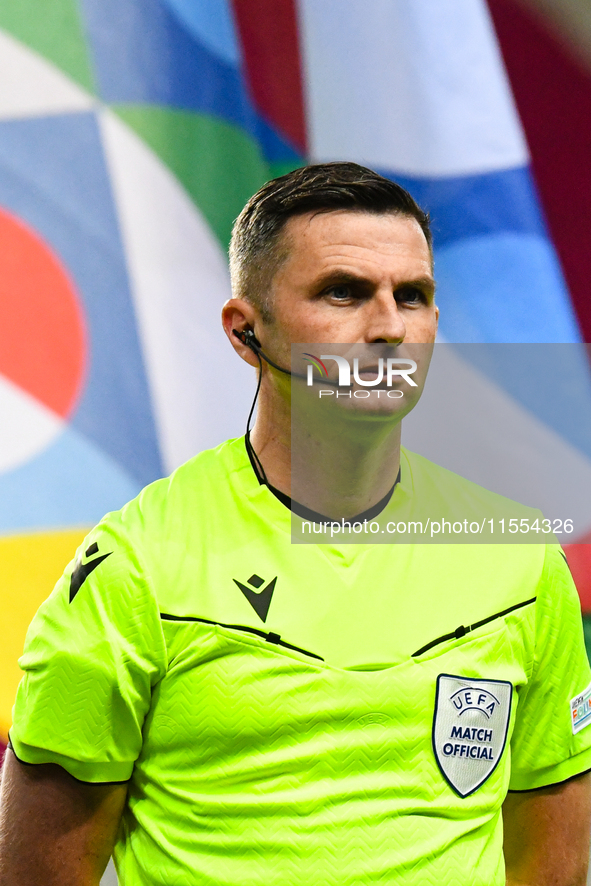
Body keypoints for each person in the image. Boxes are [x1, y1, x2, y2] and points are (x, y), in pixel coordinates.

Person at [1, 162, 590, 886]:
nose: (386, 328)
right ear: (246, 332)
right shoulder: (137, 566)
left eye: (412, 296)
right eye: (342, 292)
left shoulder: (519, 559)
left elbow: (550, 859)